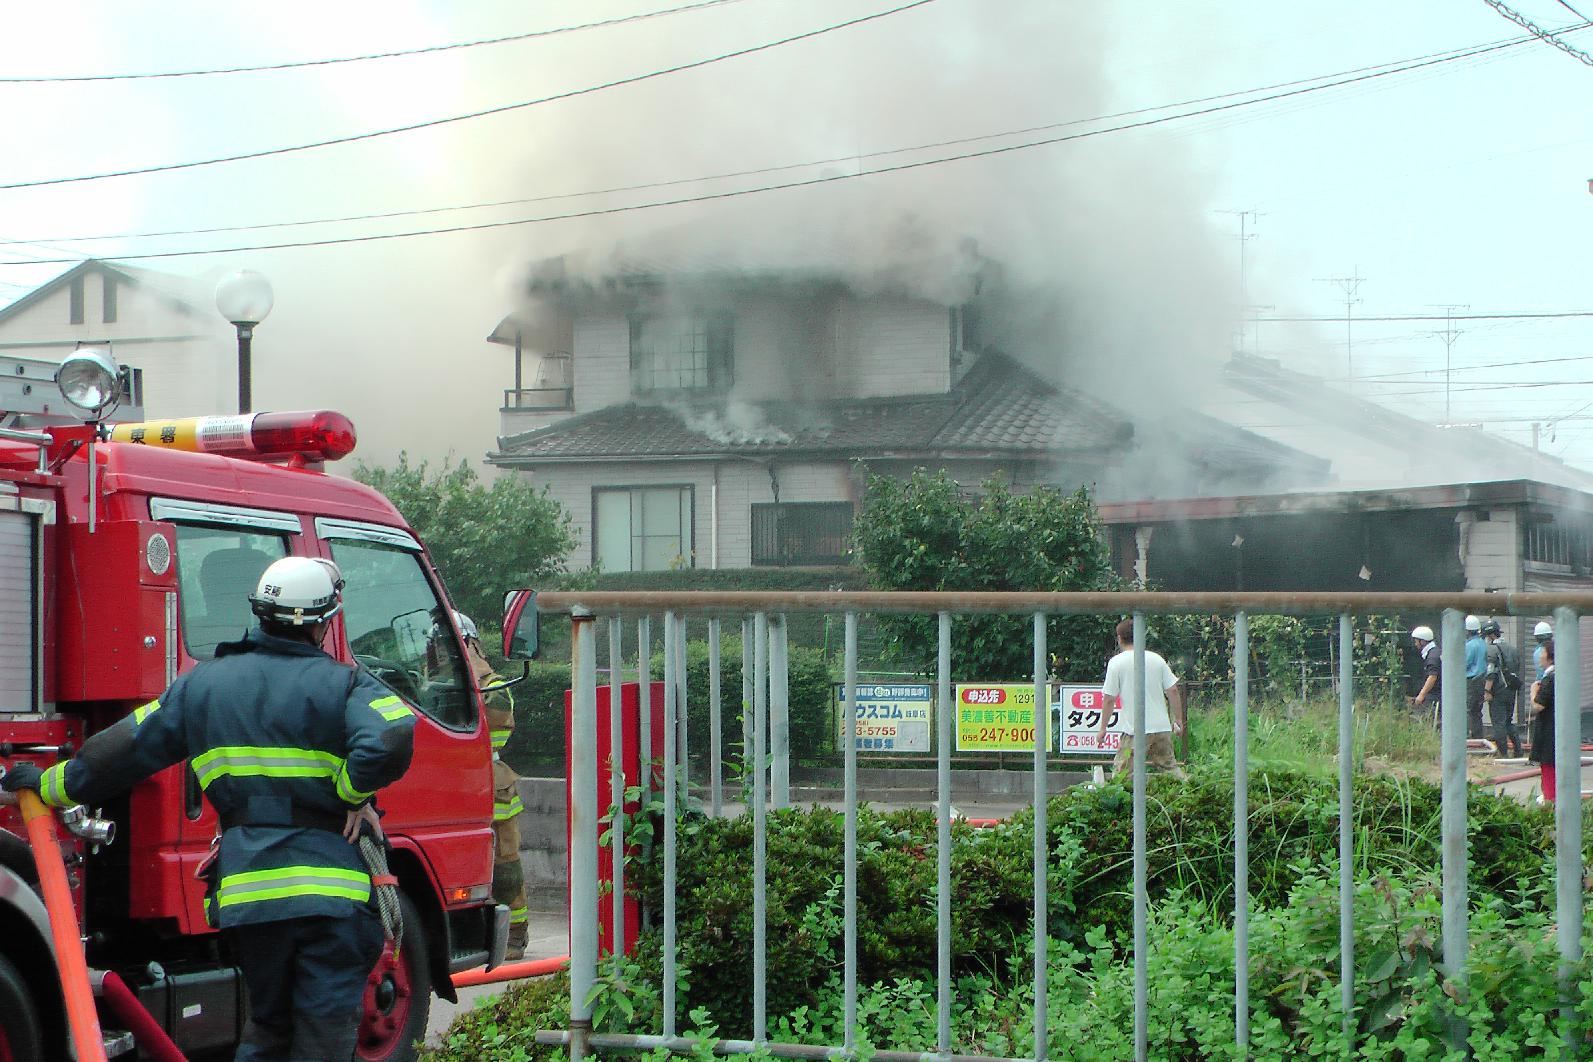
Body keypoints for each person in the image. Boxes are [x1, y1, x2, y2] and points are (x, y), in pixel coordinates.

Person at [2, 556, 415, 1061]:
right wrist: (352, 793)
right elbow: (392, 733)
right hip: (333, 897)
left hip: (252, 895)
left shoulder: (203, 686)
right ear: (324, 622)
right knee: (324, 1035)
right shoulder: (346, 685)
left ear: (260, 613)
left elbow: (124, 749)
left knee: (267, 1028)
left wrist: (49, 784)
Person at [455, 611, 530, 960]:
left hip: (493, 787)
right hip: (453, 788)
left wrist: (471, 671)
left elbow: (495, 721)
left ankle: (516, 934)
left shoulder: (493, 685)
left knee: (505, 864)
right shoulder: (434, 682)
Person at [1095, 618, 1185, 778]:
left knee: (1122, 774)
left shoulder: (1116, 663)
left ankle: (1122, 802)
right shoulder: (1156, 659)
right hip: (1161, 727)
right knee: (1170, 769)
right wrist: (1178, 719)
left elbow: (1109, 699)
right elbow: (1173, 690)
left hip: (1134, 729)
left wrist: (1103, 728)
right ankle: (1190, 794)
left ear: (1119, 638)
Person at [1482, 619, 1523, 758]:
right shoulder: (1513, 649)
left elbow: (1491, 671)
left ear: (1490, 635)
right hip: (1511, 690)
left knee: (1498, 722)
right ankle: (1518, 750)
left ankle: (1503, 753)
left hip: (1498, 690)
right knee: (1508, 720)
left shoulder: (1492, 649)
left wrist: (1487, 690)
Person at [1529, 639, 1558, 803]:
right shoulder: (1558, 676)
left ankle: (1550, 799)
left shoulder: (1549, 679)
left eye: (1543, 652)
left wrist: (1533, 692)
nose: (1540, 656)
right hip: (1555, 729)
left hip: (1548, 730)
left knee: (1548, 766)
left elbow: (1538, 705)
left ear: (1550, 657)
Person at [1407, 625, 1440, 717]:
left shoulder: (1432, 656)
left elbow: (1432, 676)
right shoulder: (1434, 652)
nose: (1415, 644)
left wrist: (1421, 695)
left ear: (1422, 641)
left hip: (1433, 695)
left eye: (1416, 641)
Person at [1463, 615, 1487, 739]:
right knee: (1477, 712)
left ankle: (1468, 738)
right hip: (1481, 680)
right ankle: (1479, 738)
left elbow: (1465, 663)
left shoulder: (1470, 645)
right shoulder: (1483, 643)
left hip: (1471, 680)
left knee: (1468, 710)